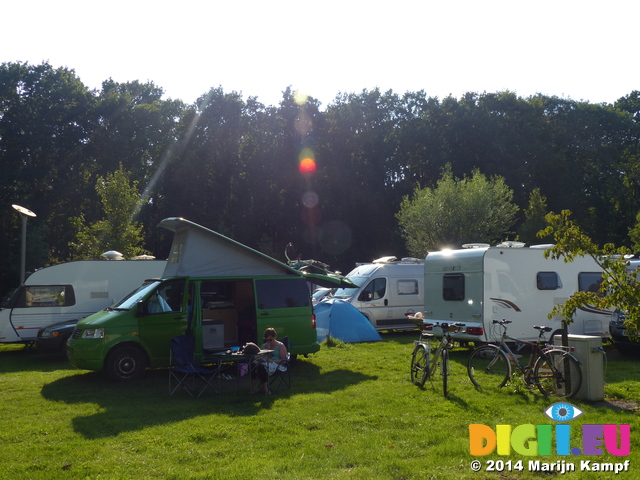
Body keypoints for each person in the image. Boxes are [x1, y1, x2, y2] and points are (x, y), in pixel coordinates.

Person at [251, 328, 288, 394]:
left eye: (270, 340)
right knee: (253, 365)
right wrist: (266, 351)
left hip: (276, 364)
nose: (269, 342)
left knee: (261, 367)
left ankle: (266, 389)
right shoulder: (264, 346)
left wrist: (271, 361)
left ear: (275, 337)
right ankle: (254, 387)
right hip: (265, 362)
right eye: (266, 340)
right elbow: (259, 357)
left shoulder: (280, 346)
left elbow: (284, 360)